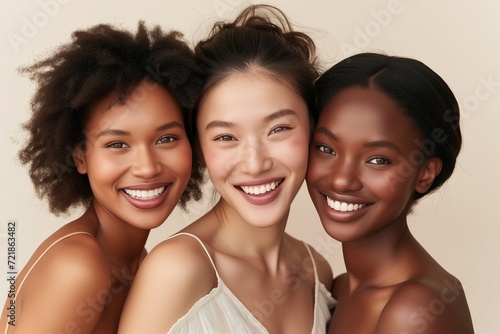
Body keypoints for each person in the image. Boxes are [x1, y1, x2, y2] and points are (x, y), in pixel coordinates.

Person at [119, 5, 335, 334]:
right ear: (200, 148)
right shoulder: (176, 270)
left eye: (278, 129)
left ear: (313, 127)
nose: (255, 162)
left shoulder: (317, 271)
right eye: (225, 137)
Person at [0, 21, 204, 333]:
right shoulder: (80, 265)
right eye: (117, 144)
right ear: (80, 156)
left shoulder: (135, 262)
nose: (147, 168)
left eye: (166, 139)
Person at [306, 52, 474, 333]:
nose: (341, 180)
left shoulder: (416, 309)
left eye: (378, 160)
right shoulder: (340, 287)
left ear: (425, 173)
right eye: (326, 148)